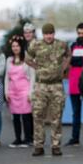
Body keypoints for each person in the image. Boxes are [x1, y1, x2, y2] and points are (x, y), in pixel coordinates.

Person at [26, 23, 71, 156]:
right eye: (46, 34)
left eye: (51, 33)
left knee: (56, 116)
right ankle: (38, 145)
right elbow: (27, 59)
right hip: (41, 85)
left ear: (54, 33)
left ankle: (56, 145)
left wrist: (63, 68)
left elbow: (69, 55)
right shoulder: (36, 45)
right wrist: (38, 68)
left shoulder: (61, 44)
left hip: (56, 85)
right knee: (38, 116)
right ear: (43, 34)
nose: (49, 36)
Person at [65, 23, 83, 147]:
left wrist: (76, 60)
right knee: (75, 112)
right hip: (73, 82)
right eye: (79, 33)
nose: (81, 35)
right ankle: (75, 138)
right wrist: (78, 60)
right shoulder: (73, 45)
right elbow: (71, 60)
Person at [5, 36, 35, 148]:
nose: (15, 48)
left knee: (26, 116)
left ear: (21, 47)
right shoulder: (9, 60)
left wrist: (30, 92)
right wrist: (6, 92)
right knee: (15, 116)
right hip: (13, 92)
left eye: (17, 45)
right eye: (13, 46)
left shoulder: (27, 59)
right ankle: (18, 139)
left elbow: (32, 77)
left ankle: (28, 139)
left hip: (25, 91)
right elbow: (6, 77)